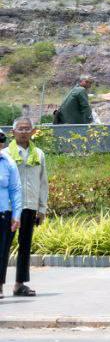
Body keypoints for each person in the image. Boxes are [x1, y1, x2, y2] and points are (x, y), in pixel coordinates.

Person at [4, 118, 48, 298]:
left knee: (25, 247)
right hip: (9, 208)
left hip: (29, 207)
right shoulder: (5, 154)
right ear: (12, 132)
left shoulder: (39, 154)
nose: (23, 132)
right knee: (3, 247)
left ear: (33, 131)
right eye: (20, 129)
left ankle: (20, 284)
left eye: (27, 129)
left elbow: (43, 182)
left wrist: (42, 208)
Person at [0, 142, 22, 300]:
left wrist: (17, 215)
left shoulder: (8, 162)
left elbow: (15, 190)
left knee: (1, 252)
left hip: (3, 215)